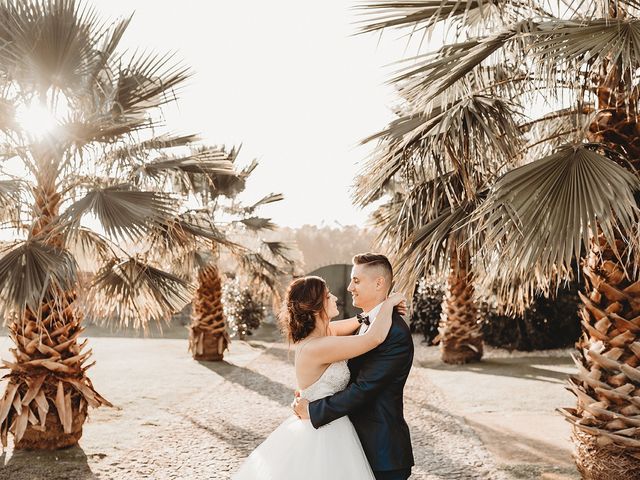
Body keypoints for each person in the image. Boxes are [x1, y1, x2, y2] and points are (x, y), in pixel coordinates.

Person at [232, 274, 406, 480]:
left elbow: (359, 320)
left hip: (328, 423)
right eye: (327, 296)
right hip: (324, 433)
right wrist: (389, 303)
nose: (334, 298)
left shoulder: (324, 334)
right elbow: (373, 338)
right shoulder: (319, 347)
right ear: (315, 308)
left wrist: (375, 312)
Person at [293, 253, 415, 480]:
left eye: (356, 280)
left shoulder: (394, 332)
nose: (349, 288)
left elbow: (364, 389)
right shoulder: (362, 324)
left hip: (381, 452)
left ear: (379, 283)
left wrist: (312, 409)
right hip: (348, 446)